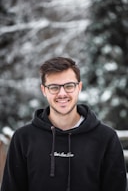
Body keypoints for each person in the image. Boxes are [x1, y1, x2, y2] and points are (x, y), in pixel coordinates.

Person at [1, 57, 127, 191]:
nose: (62, 94)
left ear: (79, 87)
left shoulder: (106, 138)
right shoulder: (23, 138)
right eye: (54, 87)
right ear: (44, 90)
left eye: (69, 86)